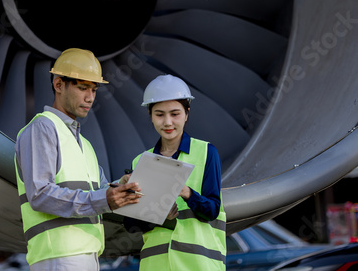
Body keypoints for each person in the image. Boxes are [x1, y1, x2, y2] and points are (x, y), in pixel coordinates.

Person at [14, 48, 142, 271]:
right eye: (83, 88)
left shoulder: (85, 145)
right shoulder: (42, 128)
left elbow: (100, 191)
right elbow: (40, 194)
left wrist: (121, 187)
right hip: (59, 255)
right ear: (58, 85)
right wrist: (104, 199)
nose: (90, 97)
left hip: (87, 255)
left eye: (93, 89)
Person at [125, 74, 226, 270]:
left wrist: (187, 193)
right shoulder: (140, 161)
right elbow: (131, 225)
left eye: (175, 113)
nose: (168, 122)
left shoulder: (206, 153)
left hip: (198, 265)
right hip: (156, 265)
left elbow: (212, 211)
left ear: (187, 113)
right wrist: (158, 216)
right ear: (150, 116)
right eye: (159, 114)